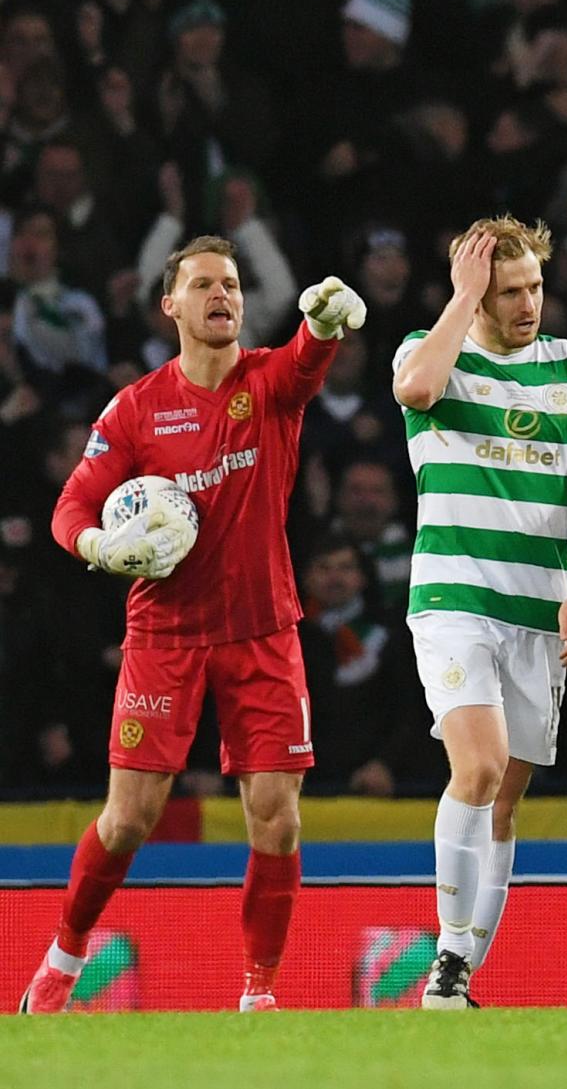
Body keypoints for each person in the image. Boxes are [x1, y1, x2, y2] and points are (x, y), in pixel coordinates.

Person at [21, 238, 366, 1013]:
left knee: (276, 818)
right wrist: (97, 544)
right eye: (203, 284)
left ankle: (259, 992)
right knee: (129, 818)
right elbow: (70, 507)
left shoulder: (268, 383)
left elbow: (307, 361)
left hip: (262, 631)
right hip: (165, 636)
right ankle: (63, 957)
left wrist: (326, 325)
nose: (223, 295)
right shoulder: (136, 407)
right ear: (169, 305)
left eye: (234, 285)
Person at [390, 217, 567, 1008]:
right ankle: (449, 953)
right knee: (478, 768)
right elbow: (415, 391)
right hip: (454, 599)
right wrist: (460, 299)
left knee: (507, 800)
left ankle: (456, 986)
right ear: (476, 294)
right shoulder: (432, 349)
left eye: (535, 288)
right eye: (509, 291)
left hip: (537, 611)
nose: (527, 305)